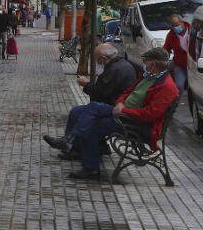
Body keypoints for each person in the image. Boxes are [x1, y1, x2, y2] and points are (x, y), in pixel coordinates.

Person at [47, 48, 178, 179]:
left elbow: (150, 114)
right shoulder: (149, 76)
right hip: (122, 111)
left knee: (94, 124)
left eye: (145, 61)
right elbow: (129, 91)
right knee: (78, 111)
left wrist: (124, 110)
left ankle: (90, 166)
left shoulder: (166, 86)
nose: (143, 63)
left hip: (136, 122)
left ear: (153, 64)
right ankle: (72, 145)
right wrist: (120, 102)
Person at [43, 43, 138, 158]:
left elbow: (99, 92)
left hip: (117, 110)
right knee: (76, 111)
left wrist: (86, 84)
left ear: (103, 58)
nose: (98, 62)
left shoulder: (115, 69)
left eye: (97, 59)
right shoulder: (122, 64)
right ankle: (71, 145)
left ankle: (71, 144)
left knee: (81, 113)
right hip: (116, 105)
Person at [163, 14, 189, 94]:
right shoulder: (171, 35)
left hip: (194, 65)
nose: (175, 28)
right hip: (180, 65)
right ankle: (175, 102)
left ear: (182, 22)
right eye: (173, 26)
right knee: (179, 85)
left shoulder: (192, 30)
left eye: (177, 25)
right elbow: (166, 49)